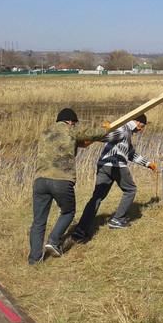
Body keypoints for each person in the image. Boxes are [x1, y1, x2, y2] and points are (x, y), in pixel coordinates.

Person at [29, 108, 110, 265]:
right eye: (74, 123)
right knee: (68, 211)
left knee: (38, 221)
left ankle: (34, 260)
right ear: (71, 121)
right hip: (61, 180)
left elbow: (70, 143)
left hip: (40, 181)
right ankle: (53, 240)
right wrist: (106, 128)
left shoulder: (45, 133)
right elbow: (92, 133)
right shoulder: (71, 130)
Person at [72, 114, 157, 240]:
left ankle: (81, 229)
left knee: (97, 197)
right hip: (116, 165)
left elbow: (130, 153)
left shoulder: (126, 132)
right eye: (142, 126)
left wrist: (147, 163)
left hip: (103, 165)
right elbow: (105, 137)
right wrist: (103, 130)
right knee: (130, 190)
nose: (141, 129)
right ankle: (117, 220)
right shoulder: (123, 129)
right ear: (136, 122)